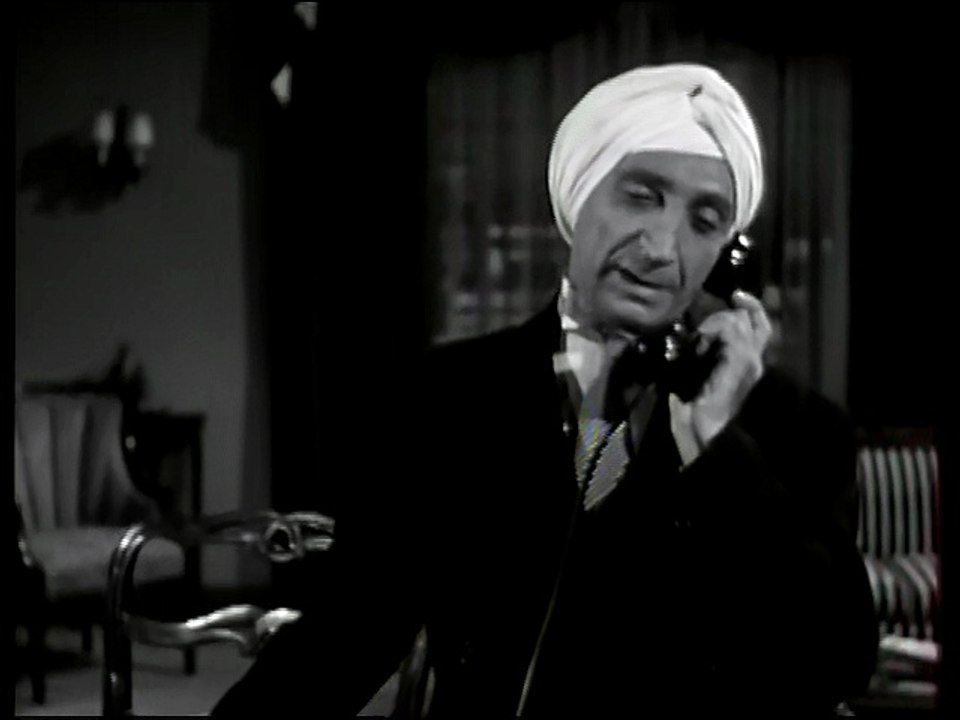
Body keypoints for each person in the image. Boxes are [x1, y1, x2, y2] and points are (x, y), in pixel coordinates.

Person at [211, 63, 878, 717]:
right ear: (578, 198)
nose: (661, 248)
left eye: (704, 222)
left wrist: (718, 450)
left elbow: (836, 662)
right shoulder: (447, 397)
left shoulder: (797, 427)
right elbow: (340, 643)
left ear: (726, 256)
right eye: (640, 196)